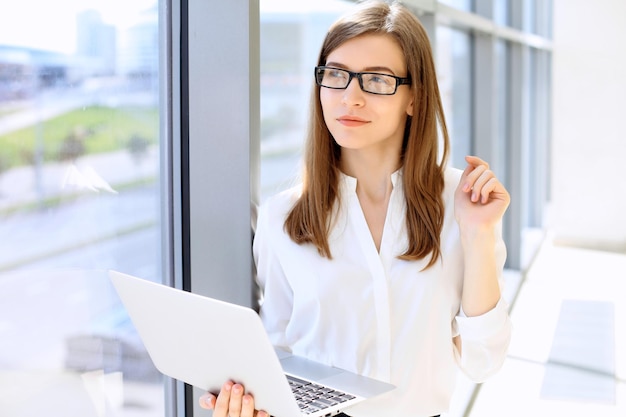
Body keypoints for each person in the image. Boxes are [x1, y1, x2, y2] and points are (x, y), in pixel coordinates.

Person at [200, 1, 512, 416]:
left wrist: (479, 234)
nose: (351, 97)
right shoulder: (283, 218)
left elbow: (482, 361)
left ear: (415, 98)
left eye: (377, 81)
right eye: (336, 75)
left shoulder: (464, 203)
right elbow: (278, 354)